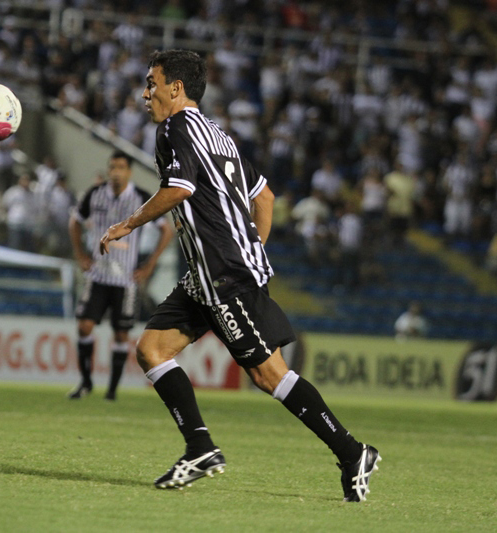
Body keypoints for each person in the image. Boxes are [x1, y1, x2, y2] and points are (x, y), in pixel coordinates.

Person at [99, 50, 380, 501]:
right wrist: (253, 250)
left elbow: (179, 189)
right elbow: (264, 197)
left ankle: (352, 453)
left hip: (224, 274)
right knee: (152, 349)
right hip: (210, 274)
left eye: (152, 82)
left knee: (269, 375)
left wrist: (127, 224)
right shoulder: (220, 135)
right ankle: (200, 447)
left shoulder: (174, 128)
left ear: (176, 87)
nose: (145, 92)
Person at [69, 150, 173, 401]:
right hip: (97, 276)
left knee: (121, 334)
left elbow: (166, 229)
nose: (115, 172)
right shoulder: (95, 194)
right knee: (84, 327)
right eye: (112, 167)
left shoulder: (140, 197)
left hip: (126, 280)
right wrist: (81, 254)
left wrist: (149, 265)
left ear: (129, 172)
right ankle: (85, 382)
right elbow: (74, 222)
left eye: (120, 168)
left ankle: (112, 390)